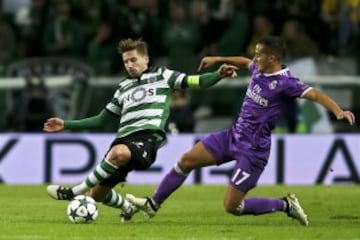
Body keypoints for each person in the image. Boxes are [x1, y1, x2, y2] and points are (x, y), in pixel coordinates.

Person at [125, 36, 356, 226]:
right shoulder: (259, 68)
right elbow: (245, 62)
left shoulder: (286, 84)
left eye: (259, 54)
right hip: (232, 136)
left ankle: (285, 205)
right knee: (186, 160)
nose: (255, 58)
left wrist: (337, 111)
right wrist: (218, 59)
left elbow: (315, 94)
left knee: (231, 207)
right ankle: (153, 204)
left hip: (253, 151)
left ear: (273, 58)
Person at [44, 38, 237, 222]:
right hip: (122, 140)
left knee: (118, 154)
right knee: (96, 194)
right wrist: (66, 124)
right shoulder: (123, 87)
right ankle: (127, 207)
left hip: (147, 138)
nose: (129, 64)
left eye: (134, 59)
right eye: (126, 61)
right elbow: (102, 119)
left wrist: (218, 74)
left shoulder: (162, 75)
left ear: (146, 59)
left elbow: (196, 81)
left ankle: (72, 192)